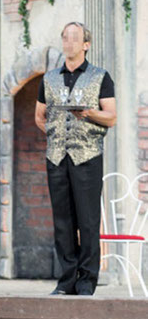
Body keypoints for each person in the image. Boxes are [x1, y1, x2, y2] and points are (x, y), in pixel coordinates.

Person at [35, 22, 116, 296]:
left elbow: (111, 117)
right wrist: (54, 135)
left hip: (88, 157)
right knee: (63, 222)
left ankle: (87, 281)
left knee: (88, 221)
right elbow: (40, 116)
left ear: (86, 44)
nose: (69, 42)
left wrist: (89, 114)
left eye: (75, 38)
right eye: (65, 38)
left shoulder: (100, 77)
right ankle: (67, 280)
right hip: (57, 157)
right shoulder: (49, 79)